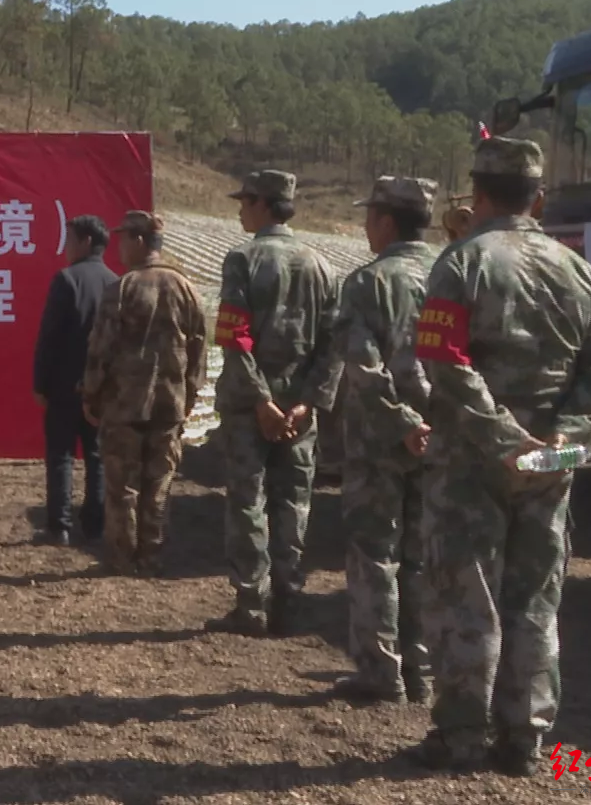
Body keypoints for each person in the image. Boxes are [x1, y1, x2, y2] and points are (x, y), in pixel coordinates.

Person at [410, 136, 591, 775]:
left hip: (473, 461)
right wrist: (566, 441)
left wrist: (503, 439)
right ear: (538, 197)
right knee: (535, 597)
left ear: (477, 193)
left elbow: (443, 359)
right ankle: (525, 739)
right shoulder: (578, 270)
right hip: (551, 464)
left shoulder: (460, 262)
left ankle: (462, 738)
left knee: (465, 593)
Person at [210, 170, 341, 638]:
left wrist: (260, 398)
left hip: (251, 409)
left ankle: (251, 605)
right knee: (294, 504)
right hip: (299, 412)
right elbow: (333, 343)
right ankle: (290, 601)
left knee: (248, 502)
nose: (240, 209)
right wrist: (307, 402)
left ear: (263, 204)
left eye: (244, 201)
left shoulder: (243, 258)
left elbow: (233, 335)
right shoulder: (321, 265)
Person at [332, 177, 437, 704]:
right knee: (422, 555)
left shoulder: (368, 283)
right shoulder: (453, 275)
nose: (365, 225)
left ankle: (380, 671)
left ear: (387, 222)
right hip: (442, 439)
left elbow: (363, 368)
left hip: (381, 442)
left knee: (375, 553)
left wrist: (401, 424)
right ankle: (421, 671)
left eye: (370, 215)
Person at [79, 211, 207, 577]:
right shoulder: (187, 288)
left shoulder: (122, 289)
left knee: (122, 487)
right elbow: (199, 350)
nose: (119, 246)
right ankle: (151, 556)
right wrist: (190, 397)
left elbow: (100, 350)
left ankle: (122, 558)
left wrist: (90, 395)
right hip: (170, 404)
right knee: (159, 484)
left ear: (139, 241)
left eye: (124, 239)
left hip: (124, 406)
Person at [32, 214, 117, 545]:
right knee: (96, 456)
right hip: (102, 388)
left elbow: (49, 337)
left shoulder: (66, 280)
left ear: (85, 242)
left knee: (61, 455)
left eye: (69, 240)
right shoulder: (116, 282)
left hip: (64, 386)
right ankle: (94, 524)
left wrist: (40, 383)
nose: (65, 248)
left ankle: (60, 526)